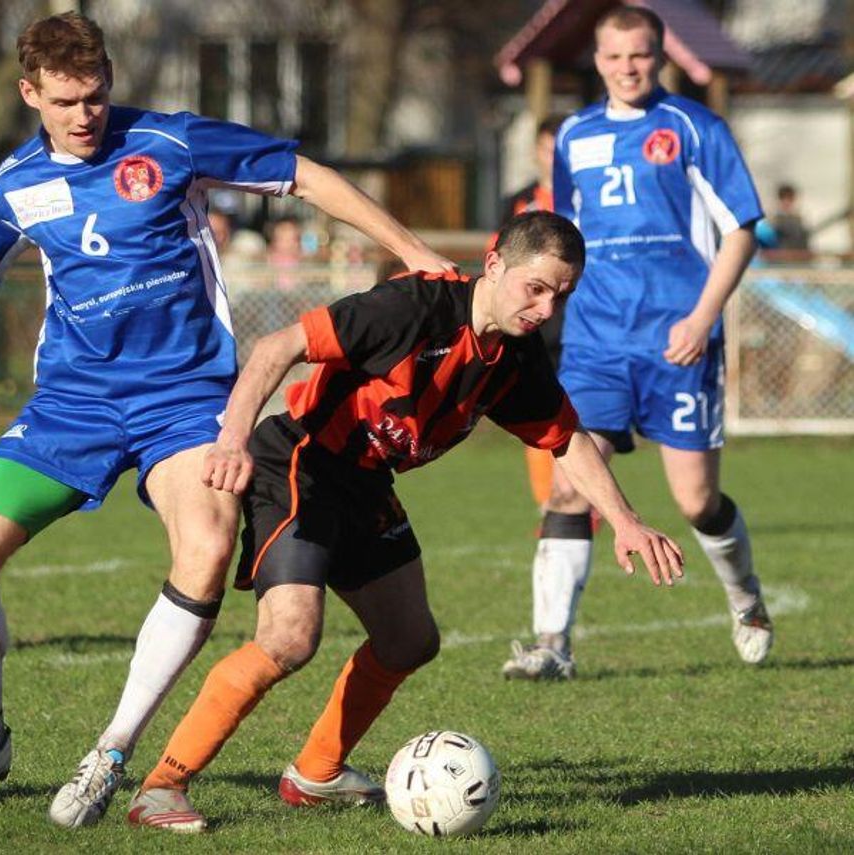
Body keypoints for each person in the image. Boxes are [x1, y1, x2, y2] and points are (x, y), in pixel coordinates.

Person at [0, 10, 453, 825]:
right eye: (67, 101)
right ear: (29, 93)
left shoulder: (171, 142)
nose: (86, 114)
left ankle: (109, 753)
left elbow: (304, 174)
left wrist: (412, 249)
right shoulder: (13, 185)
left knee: (209, 548)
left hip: (186, 400)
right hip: (72, 406)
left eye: (97, 95)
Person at [121, 211, 685, 832]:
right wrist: (233, 439)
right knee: (288, 638)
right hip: (300, 464)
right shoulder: (413, 308)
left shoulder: (515, 357)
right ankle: (162, 787)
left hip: (364, 484)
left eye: (562, 295)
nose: (547, 308)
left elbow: (565, 438)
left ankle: (316, 772)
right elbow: (275, 347)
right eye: (536, 287)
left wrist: (628, 521)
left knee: (409, 640)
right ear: (494, 264)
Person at [501, 6, 772, 682]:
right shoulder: (573, 135)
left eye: (641, 55)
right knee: (569, 488)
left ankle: (747, 600)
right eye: (616, 56)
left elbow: (740, 230)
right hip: (597, 340)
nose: (628, 67)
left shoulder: (693, 128)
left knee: (694, 501)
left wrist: (702, 317)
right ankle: (552, 643)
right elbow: (563, 238)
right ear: (597, 61)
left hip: (678, 340)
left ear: (660, 57)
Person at [493, 114, 568, 511]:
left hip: (583, 320)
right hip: (537, 322)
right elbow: (501, 253)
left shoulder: (587, 196)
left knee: (583, 411)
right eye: (547, 149)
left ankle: (581, 499)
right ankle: (548, 502)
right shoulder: (520, 201)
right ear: (536, 152)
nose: (554, 157)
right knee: (539, 407)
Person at [770, 183, 810, 251]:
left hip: (797, 258)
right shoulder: (773, 221)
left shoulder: (799, 220)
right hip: (777, 258)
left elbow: (805, 244)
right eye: (783, 198)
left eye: (789, 198)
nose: (786, 202)